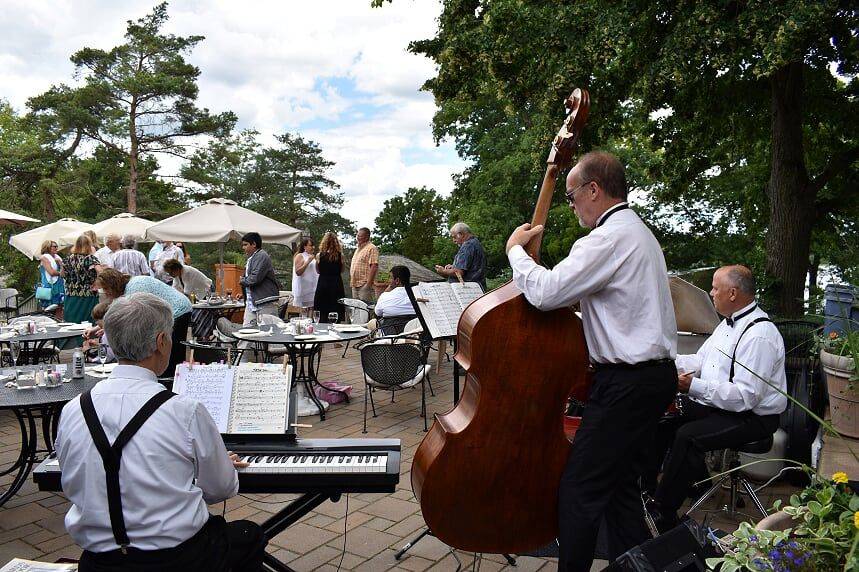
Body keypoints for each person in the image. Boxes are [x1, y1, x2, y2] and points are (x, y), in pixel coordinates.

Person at [504, 151, 677, 571]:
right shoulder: (640, 234)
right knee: (620, 492)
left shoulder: (607, 238)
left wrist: (516, 253)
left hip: (626, 385)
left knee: (579, 492)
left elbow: (545, 293)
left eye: (571, 195)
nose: (572, 204)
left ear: (594, 190)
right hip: (652, 380)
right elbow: (617, 309)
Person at [55, 293, 266, 571]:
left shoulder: (73, 410)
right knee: (249, 534)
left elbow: (73, 480)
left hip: (99, 562)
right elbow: (221, 488)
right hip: (179, 560)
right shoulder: (184, 410)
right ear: (161, 342)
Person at [647, 265, 787, 532]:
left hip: (754, 417)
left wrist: (693, 387)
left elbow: (745, 397)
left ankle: (662, 513)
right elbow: (701, 360)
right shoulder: (727, 324)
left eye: (715, 287)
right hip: (727, 406)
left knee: (689, 437)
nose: (711, 293)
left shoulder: (759, 335)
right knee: (664, 418)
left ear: (732, 293)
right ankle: (652, 489)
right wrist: (664, 362)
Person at [95, 269, 193, 378]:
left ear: (112, 285)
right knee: (170, 348)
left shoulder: (135, 288)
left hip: (178, 310)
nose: (105, 292)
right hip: (175, 308)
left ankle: (171, 380)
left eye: (106, 288)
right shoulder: (130, 286)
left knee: (171, 349)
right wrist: (98, 328)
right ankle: (169, 378)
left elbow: (134, 316)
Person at [238, 232, 280, 328]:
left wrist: (242, 280)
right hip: (252, 303)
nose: (243, 248)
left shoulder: (262, 256)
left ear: (254, 244)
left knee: (270, 334)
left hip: (265, 302)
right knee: (246, 333)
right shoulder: (252, 258)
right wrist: (245, 293)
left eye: (245, 245)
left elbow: (255, 278)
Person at [435, 222, 487, 290]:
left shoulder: (467, 246)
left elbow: (459, 272)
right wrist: (454, 267)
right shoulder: (475, 242)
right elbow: (471, 268)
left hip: (467, 290)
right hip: (478, 288)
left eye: (454, 237)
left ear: (461, 234)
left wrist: (443, 271)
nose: (454, 241)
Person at [64, 234, 104, 324]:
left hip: (71, 293)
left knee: (71, 320)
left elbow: (62, 274)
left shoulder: (68, 259)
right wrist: (97, 283)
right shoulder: (90, 259)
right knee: (87, 321)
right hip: (87, 294)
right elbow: (101, 272)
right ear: (89, 245)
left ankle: (69, 338)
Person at [314, 232, 345, 322]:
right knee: (336, 308)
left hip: (323, 283)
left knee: (322, 309)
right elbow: (342, 270)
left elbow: (318, 271)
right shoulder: (340, 256)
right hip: (336, 284)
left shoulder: (319, 255)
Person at [349, 227, 379, 303]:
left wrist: (368, 284)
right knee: (356, 310)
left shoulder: (372, 248)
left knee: (365, 310)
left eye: (360, 236)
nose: (357, 238)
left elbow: (374, 266)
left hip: (364, 285)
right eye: (357, 235)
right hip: (355, 285)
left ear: (367, 237)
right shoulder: (358, 249)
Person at [38, 240, 65, 311]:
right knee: (49, 308)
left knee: (60, 307)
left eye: (57, 246)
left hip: (59, 285)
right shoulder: (44, 258)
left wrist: (60, 263)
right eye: (54, 246)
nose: (56, 248)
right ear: (48, 247)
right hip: (49, 286)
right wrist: (60, 273)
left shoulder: (58, 258)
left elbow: (64, 273)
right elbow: (51, 272)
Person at [292, 237, 318, 310]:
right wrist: (308, 261)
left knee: (312, 310)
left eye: (313, 245)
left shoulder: (313, 257)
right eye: (310, 245)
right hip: (304, 290)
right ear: (304, 247)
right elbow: (298, 272)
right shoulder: (300, 256)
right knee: (304, 312)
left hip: (313, 289)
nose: (313, 247)